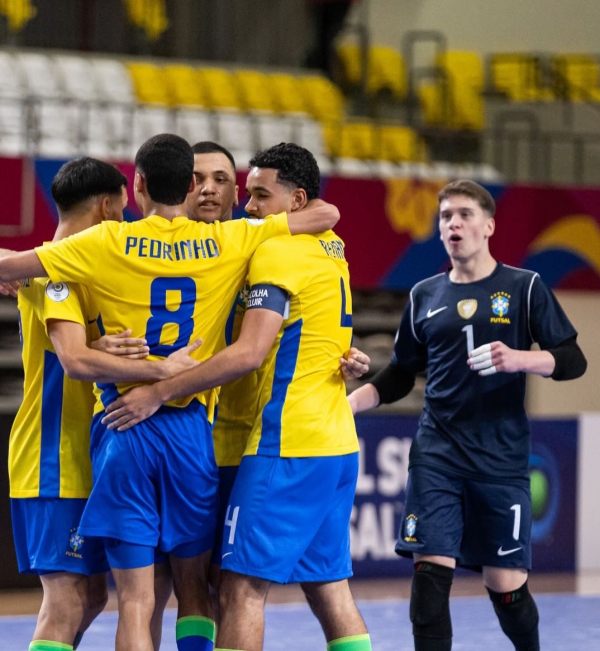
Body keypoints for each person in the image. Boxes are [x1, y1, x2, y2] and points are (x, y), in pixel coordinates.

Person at [0, 134, 340, 651]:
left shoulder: (99, 246)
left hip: (122, 426)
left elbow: (17, 271)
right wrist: (262, 223)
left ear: (135, 186)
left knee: (136, 599)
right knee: (195, 589)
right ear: (188, 186)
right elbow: (324, 216)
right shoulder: (232, 241)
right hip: (191, 433)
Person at [101, 142, 373, 651]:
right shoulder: (327, 246)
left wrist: (158, 392)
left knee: (237, 589)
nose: (239, 200)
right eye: (198, 179)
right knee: (324, 586)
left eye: (245, 189)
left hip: (278, 441)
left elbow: (250, 351)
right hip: (309, 440)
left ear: (295, 203)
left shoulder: (268, 247)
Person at [346, 179, 588, 651]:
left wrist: (521, 359)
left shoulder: (525, 286)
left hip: (501, 459)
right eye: (445, 216)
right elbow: (400, 375)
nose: (453, 223)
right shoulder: (423, 295)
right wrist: (345, 406)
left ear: (489, 226)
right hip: (437, 454)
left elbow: (572, 359)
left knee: (506, 588)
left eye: (464, 214)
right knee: (430, 576)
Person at [9, 156, 201, 651]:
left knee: (92, 595)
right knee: (69, 598)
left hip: (87, 451)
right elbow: (74, 359)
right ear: (104, 206)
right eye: (121, 206)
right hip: (54, 455)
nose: (127, 217)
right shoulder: (60, 272)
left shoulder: (63, 263)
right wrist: (161, 373)